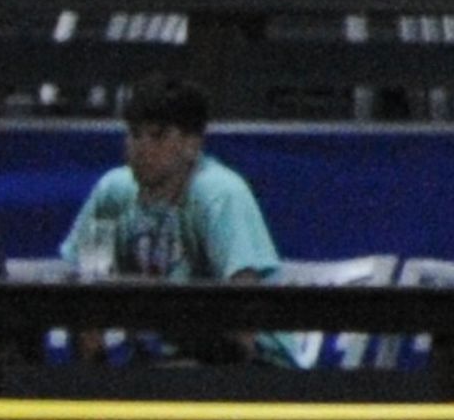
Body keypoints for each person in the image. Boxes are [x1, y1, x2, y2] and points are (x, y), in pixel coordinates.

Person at [61, 78, 291, 364]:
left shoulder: (219, 193)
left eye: (157, 136)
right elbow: (87, 291)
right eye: (134, 134)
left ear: (191, 145)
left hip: (254, 364)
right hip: (159, 362)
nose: (141, 148)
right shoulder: (112, 193)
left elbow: (244, 312)